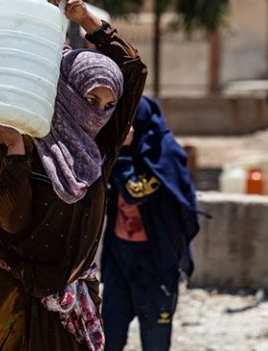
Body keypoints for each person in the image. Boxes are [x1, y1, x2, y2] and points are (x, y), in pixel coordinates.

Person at [0, 0, 148, 351]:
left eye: (107, 105)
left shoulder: (97, 151)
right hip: (13, 306)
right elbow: (10, 219)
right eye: (88, 99)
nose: (97, 112)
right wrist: (15, 148)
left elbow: (133, 70)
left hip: (73, 307)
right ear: (64, 91)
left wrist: (84, 18)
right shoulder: (16, 134)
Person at [101, 96, 200, 351]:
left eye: (129, 121)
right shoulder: (111, 153)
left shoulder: (165, 155)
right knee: (108, 335)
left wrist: (121, 153)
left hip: (155, 262)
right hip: (119, 256)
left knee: (155, 340)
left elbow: (136, 190)